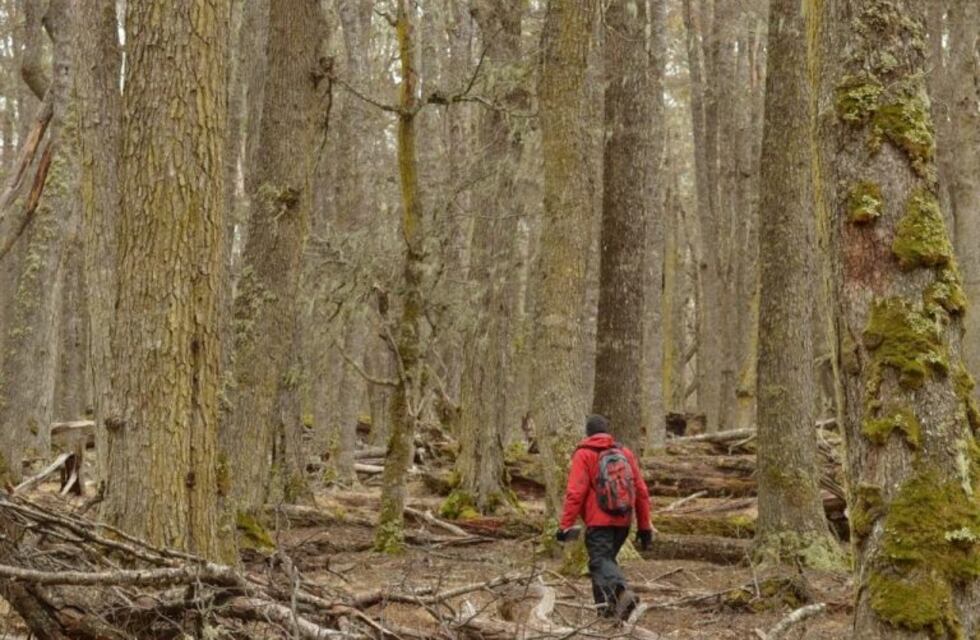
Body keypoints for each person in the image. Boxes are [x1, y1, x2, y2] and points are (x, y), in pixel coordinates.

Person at [555, 414, 654, 620]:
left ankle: (622, 591)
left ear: (588, 433)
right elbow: (641, 490)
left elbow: (576, 492)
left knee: (600, 562)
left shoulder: (584, 454)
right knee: (602, 563)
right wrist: (644, 526)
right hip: (624, 521)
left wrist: (565, 525)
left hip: (598, 521)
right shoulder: (624, 452)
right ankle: (606, 613)